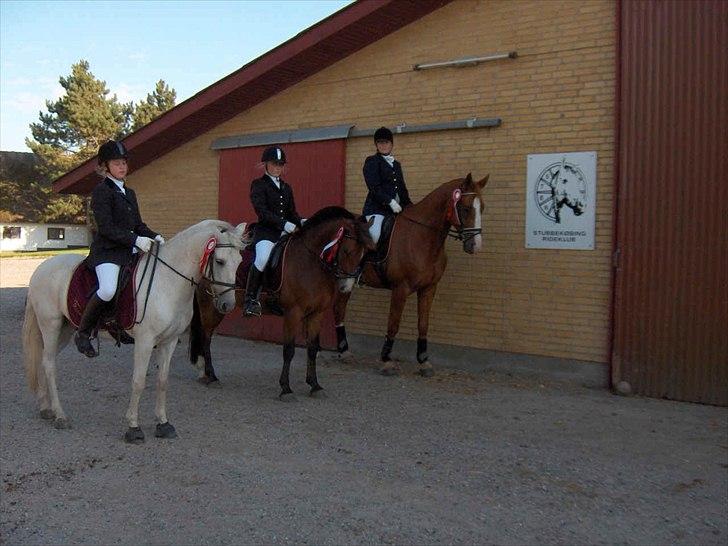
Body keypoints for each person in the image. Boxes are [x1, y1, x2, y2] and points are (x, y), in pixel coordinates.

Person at [74, 140, 164, 357]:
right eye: (117, 163)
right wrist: (135, 240)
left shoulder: (129, 193)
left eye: (124, 163)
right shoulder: (101, 192)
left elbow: (138, 226)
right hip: (108, 252)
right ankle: (83, 333)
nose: (122, 167)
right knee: (107, 289)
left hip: (130, 250)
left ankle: (120, 325)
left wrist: (155, 236)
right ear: (105, 166)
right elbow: (106, 228)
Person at [243, 145, 303, 317]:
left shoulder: (287, 187)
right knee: (262, 258)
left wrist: (303, 221)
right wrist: (285, 224)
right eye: (274, 164)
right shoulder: (258, 185)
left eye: (280, 164)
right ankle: (250, 300)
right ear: (266, 165)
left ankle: (277, 297)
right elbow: (262, 212)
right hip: (266, 233)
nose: (278, 167)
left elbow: (292, 213)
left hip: (285, 233)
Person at [362, 126, 412, 245]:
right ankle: (366, 262)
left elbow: (402, 188)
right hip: (377, 209)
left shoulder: (396, 165)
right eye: (380, 142)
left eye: (386, 142)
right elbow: (374, 187)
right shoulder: (372, 162)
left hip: (397, 210)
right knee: (375, 236)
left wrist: (409, 205)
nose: (383, 145)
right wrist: (390, 201)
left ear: (391, 144)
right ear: (376, 145)